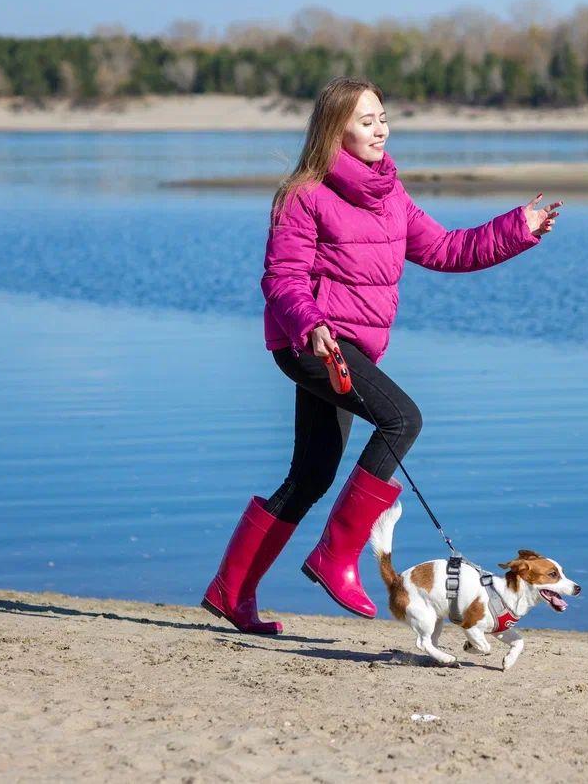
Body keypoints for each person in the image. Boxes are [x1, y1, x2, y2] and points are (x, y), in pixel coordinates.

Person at [201, 76, 561, 634]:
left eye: (383, 117)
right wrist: (311, 323)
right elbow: (282, 278)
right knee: (401, 419)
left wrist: (517, 227)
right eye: (366, 121)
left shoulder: (388, 193)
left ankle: (231, 590)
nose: (381, 129)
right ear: (334, 130)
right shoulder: (303, 194)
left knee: (313, 473)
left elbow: (445, 248)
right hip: (312, 342)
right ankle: (335, 557)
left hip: (348, 350)